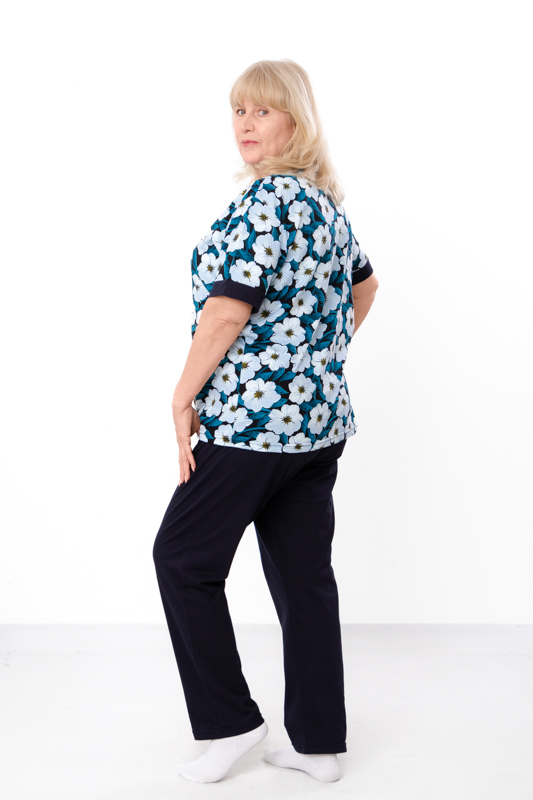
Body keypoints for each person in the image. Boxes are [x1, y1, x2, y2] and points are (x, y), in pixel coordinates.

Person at [152, 58, 379, 784]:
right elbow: (365, 286)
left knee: (182, 560)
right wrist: (316, 358)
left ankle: (230, 725)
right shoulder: (323, 206)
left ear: (295, 121)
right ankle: (317, 744)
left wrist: (182, 396)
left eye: (263, 111)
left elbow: (226, 310)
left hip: (253, 427)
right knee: (304, 578)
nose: (245, 124)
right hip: (317, 426)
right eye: (238, 110)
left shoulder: (265, 202)